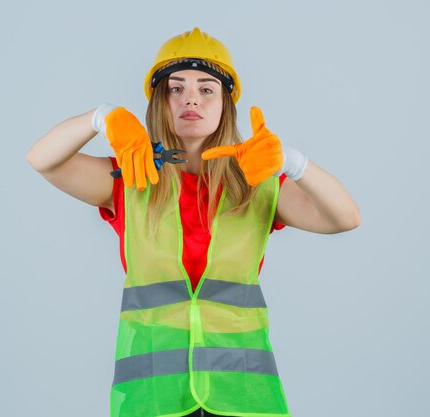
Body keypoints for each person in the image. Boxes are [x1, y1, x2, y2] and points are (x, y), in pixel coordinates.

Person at [27, 27, 360, 417]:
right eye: (175, 88)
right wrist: (101, 117)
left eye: (206, 89)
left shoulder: (258, 186)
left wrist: (293, 161)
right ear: (160, 101)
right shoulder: (130, 180)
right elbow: (42, 159)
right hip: (154, 398)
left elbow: (345, 218)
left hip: (242, 395)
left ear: (225, 104)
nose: (191, 100)